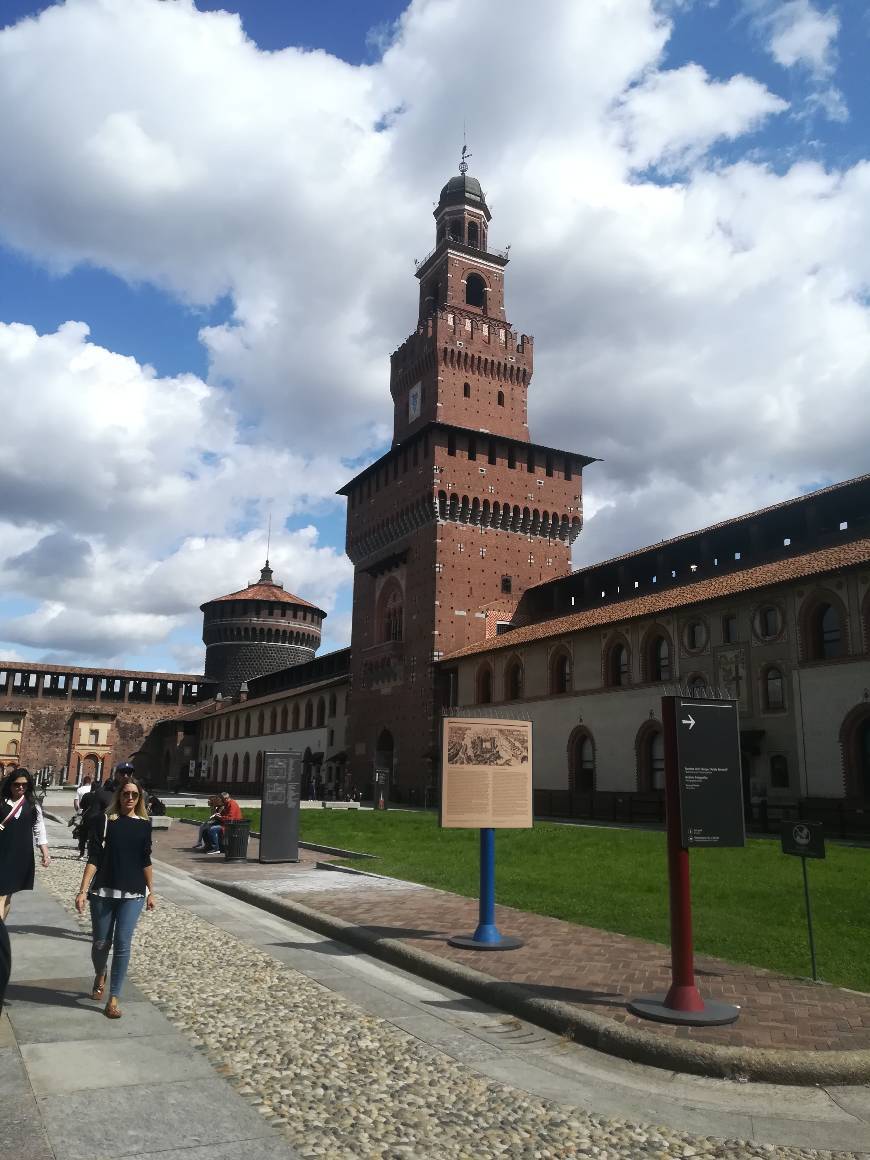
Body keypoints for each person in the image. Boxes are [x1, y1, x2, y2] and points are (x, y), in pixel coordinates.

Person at [75, 773, 155, 1019]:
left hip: (133, 893)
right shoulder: (104, 821)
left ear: (139, 798)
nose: (129, 798)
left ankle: (114, 998)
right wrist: (82, 890)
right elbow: (95, 857)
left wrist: (151, 891)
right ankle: (101, 973)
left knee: (122, 945)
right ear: (118, 795)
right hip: (103, 891)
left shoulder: (144, 824)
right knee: (100, 943)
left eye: (134, 794)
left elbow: (145, 859)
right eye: (125, 793)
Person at [0, 769, 51, 921]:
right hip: (2, 851)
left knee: (6, 896)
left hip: (19, 855)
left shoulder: (32, 806)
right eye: (17, 784)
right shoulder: (2, 802)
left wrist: (45, 853)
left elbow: (39, 829)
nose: (20, 788)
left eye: (24, 785)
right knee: (2, 894)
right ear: (10, 785)